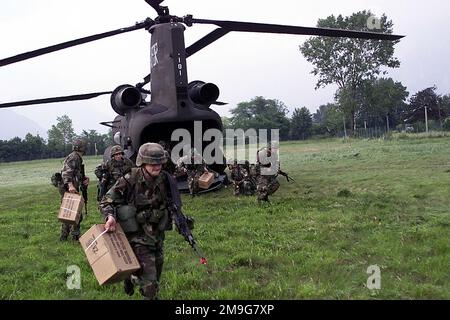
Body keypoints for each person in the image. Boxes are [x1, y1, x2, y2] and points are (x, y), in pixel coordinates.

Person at [99, 142, 178, 300]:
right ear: (143, 162)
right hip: (137, 238)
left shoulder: (165, 179)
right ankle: (140, 282)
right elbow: (106, 201)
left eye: (160, 163)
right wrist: (110, 217)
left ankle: (131, 275)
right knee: (150, 287)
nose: (157, 167)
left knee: (156, 272)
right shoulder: (130, 179)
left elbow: (172, 202)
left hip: (157, 236)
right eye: (152, 163)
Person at [58, 138, 90, 241]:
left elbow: (75, 173)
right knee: (72, 213)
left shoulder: (77, 157)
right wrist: (71, 185)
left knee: (71, 213)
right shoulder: (74, 157)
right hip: (68, 188)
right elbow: (66, 173)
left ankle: (67, 236)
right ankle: (72, 236)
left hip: (71, 187)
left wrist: (84, 179)